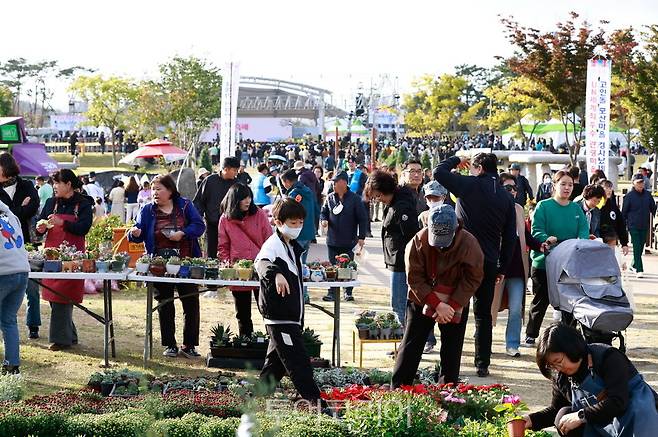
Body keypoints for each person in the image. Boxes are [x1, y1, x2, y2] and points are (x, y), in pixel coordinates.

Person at [434, 152, 516, 377]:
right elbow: (510, 238)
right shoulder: (505, 197)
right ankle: (482, 363)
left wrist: (455, 159)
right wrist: (503, 267)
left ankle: (451, 363)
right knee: (483, 314)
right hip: (488, 261)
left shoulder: (468, 185)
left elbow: (438, 172)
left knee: (456, 308)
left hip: (461, 258)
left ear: (478, 168)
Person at [392, 205, 484, 385]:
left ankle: (448, 394)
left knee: (452, 350)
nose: (441, 245)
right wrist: (437, 303)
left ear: (456, 227)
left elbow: (473, 278)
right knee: (411, 345)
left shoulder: (469, 243)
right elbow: (414, 278)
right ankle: (399, 390)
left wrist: (452, 305)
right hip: (422, 297)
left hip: (455, 301)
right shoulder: (418, 241)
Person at [524, 323, 658, 436]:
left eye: (558, 361)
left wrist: (581, 416)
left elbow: (618, 401)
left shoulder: (608, 357)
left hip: (636, 417)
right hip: (604, 421)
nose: (557, 368)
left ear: (571, 348)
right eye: (551, 365)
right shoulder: (562, 377)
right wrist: (530, 420)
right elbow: (555, 409)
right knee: (563, 416)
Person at [254, 198, 325, 404]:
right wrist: (276, 274)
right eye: (293, 223)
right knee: (298, 363)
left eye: (300, 223)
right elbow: (261, 263)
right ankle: (317, 405)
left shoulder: (291, 245)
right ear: (277, 221)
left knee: (274, 367)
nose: (298, 227)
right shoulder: (273, 245)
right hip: (280, 318)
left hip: (290, 317)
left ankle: (255, 403)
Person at [129, 174, 206, 358]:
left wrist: (183, 233)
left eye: (159, 189)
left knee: (191, 302)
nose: (154, 193)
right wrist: (134, 232)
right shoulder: (147, 210)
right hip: (158, 264)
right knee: (165, 303)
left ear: (170, 190)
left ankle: (189, 345)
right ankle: (170, 344)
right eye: (153, 189)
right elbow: (136, 231)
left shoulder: (185, 206)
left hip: (186, 263)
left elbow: (199, 226)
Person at [524, 170, 590, 347]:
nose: (567, 188)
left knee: (570, 301)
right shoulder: (543, 206)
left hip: (569, 264)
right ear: (554, 186)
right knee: (541, 299)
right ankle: (531, 334)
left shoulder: (576, 208)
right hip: (544, 262)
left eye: (570, 185)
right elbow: (536, 231)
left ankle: (569, 336)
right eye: (563, 184)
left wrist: (580, 241)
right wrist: (547, 239)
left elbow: (583, 230)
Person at [36, 169, 93, 350]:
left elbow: (84, 228)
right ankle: (70, 335)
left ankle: (60, 340)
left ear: (68, 184)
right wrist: (41, 227)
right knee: (54, 295)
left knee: (64, 294)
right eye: (54, 183)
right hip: (52, 254)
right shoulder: (51, 202)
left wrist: (64, 224)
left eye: (57, 183)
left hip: (73, 257)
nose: (54, 187)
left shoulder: (83, 204)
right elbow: (41, 220)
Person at [492, 173, 545, 357]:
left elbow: (526, 236)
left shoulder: (518, 209)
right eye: (508, 188)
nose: (513, 191)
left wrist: (540, 245)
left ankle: (512, 343)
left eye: (515, 188)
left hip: (517, 267)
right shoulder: (490, 208)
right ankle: (483, 342)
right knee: (489, 309)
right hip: (495, 267)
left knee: (516, 309)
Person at [365, 171, 419, 325]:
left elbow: (411, 236)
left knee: (399, 305)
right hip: (396, 259)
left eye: (377, 195)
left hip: (402, 261)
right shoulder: (394, 203)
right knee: (401, 304)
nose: (377, 199)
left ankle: (402, 343)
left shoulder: (401, 207)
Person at [218, 184, 272, 336]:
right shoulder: (225, 219)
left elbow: (269, 239)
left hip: (261, 268)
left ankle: (272, 343)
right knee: (242, 314)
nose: (247, 201)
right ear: (234, 200)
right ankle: (245, 342)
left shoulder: (259, 214)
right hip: (238, 270)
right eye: (243, 198)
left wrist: (268, 263)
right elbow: (223, 245)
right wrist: (227, 267)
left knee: (267, 311)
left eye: (249, 197)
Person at [0, 154, 40, 339]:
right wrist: (19, 211)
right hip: (4, 248)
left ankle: (33, 324)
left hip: (26, 242)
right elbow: (16, 215)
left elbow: (33, 207)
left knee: (32, 287)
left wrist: (13, 213)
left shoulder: (26, 185)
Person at [320, 171, 368, 302]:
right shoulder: (330, 197)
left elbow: (362, 219)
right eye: (334, 182)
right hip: (332, 239)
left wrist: (361, 237)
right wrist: (323, 220)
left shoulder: (355, 199)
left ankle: (348, 291)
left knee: (348, 267)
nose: (335, 184)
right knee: (332, 266)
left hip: (349, 240)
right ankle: (331, 292)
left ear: (345, 183)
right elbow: (323, 212)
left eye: (337, 182)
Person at [0, 200, 30, 374]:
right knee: (9, 320)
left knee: (8, 320)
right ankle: (12, 365)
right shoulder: (11, 216)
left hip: (3, 272)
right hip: (21, 271)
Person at [193, 157, 239, 261]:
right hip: (212, 223)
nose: (236, 173)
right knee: (212, 253)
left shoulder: (237, 184)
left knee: (230, 253)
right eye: (234, 170)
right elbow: (199, 201)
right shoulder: (210, 181)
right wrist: (197, 218)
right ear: (226, 169)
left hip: (232, 225)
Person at [622, 173, 657, 278]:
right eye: (638, 183)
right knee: (637, 247)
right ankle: (639, 269)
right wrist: (623, 226)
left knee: (640, 248)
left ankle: (633, 265)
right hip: (633, 225)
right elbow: (624, 212)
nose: (641, 185)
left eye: (642, 182)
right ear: (633, 183)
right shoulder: (629, 196)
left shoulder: (647, 195)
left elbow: (653, 208)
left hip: (644, 225)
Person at [598, 180, 629, 255]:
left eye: (610, 188)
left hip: (611, 240)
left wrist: (624, 243)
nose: (609, 190)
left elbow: (620, 224)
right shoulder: (596, 205)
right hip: (597, 241)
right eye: (606, 188)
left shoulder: (613, 206)